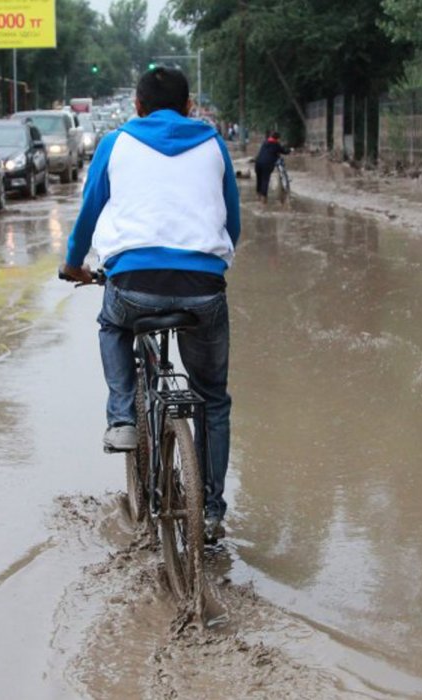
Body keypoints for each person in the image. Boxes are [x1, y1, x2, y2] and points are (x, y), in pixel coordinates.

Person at [61, 67, 241, 543]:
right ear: (187, 107)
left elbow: (88, 214)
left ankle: (122, 418)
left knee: (112, 326)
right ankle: (212, 511)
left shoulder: (114, 144)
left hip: (133, 284)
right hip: (204, 286)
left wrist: (74, 263)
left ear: (137, 106)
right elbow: (232, 222)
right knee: (212, 399)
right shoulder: (213, 143)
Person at [253, 130, 290, 203]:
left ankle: (258, 197)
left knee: (259, 180)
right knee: (265, 181)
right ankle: (264, 201)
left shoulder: (265, 142)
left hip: (258, 163)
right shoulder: (276, 144)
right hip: (267, 165)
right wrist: (290, 150)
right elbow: (284, 151)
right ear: (278, 138)